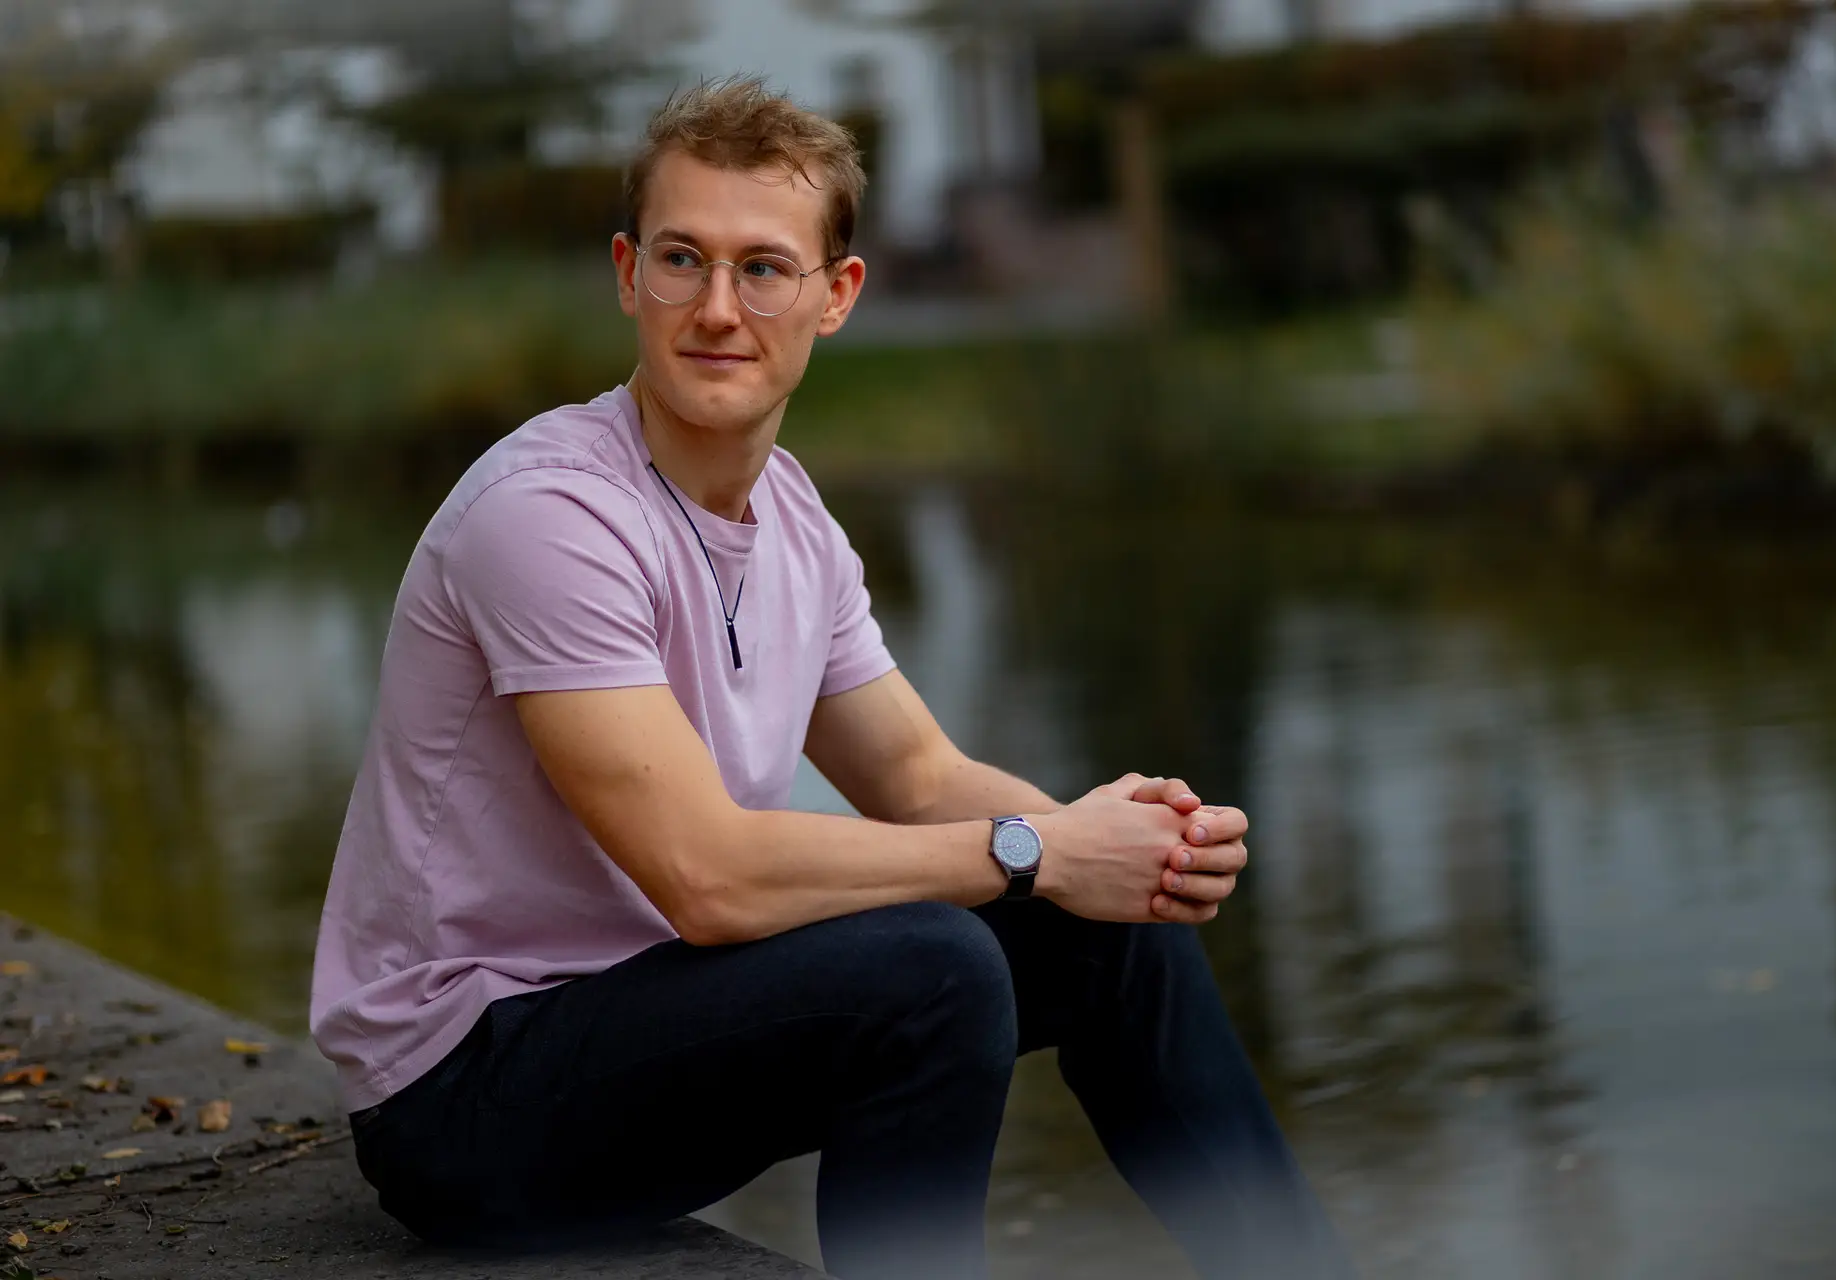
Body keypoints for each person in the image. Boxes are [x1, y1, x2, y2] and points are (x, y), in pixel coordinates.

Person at [310, 76, 1350, 1280]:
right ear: (624, 272)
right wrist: (1036, 851)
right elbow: (705, 877)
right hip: (466, 1093)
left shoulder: (794, 517)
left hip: (654, 1023)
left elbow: (916, 772)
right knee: (936, 966)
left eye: (762, 267)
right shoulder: (547, 515)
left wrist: (1117, 843)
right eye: (681, 259)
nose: (716, 308)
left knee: (1114, 932)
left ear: (836, 294)